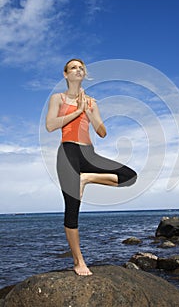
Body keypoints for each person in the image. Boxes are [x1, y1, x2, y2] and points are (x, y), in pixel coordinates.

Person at [46, 58, 137, 276]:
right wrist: (76, 112)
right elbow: (50, 125)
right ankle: (78, 261)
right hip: (68, 152)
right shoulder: (57, 98)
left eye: (81, 67)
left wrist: (88, 112)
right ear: (65, 74)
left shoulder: (92, 102)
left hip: (89, 154)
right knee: (72, 209)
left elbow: (102, 132)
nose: (78, 70)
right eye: (73, 68)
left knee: (129, 176)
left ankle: (86, 178)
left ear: (84, 73)